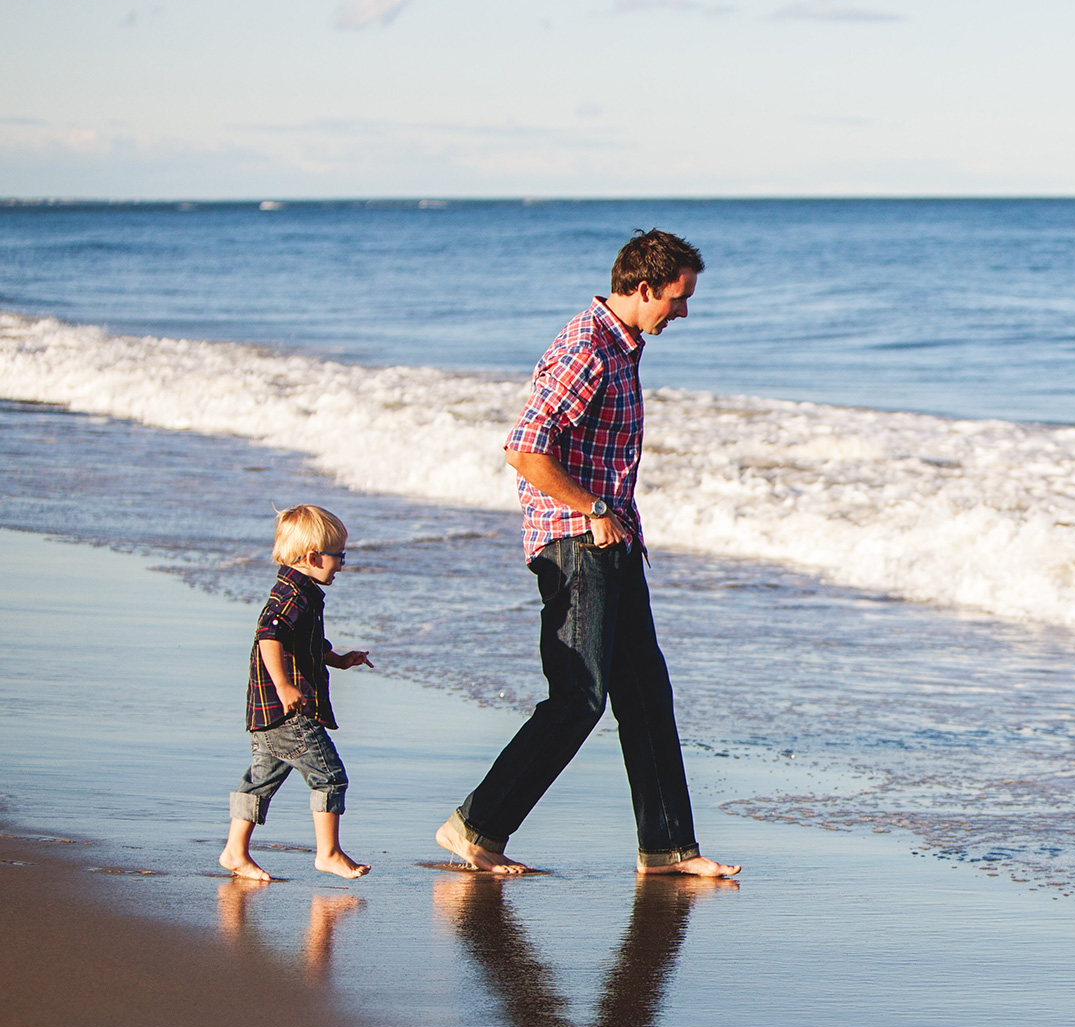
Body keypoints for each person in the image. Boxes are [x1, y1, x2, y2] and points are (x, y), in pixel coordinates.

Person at [435, 229, 739, 878]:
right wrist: (592, 508)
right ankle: (476, 826)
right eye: (677, 299)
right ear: (642, 288)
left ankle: (667, 848)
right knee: (580, 696)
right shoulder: (587, 349)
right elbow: (524, 447)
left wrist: (612, 518)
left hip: (613, 539)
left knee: (646, 696)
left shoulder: (620, 346)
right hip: (576, 541)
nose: (683, 312)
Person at [219, 504, 374, 881]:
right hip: (289, 710)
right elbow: (269, 637)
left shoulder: (298, 590)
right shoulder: (293, 594)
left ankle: (235, 852)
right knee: (330, 777)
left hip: (265, 712)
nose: (341, 565)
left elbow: (302, 642)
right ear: (312, 557)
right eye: (339, 557)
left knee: (261, 779)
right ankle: (329, 853)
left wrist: (337, 659)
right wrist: (285, 686)